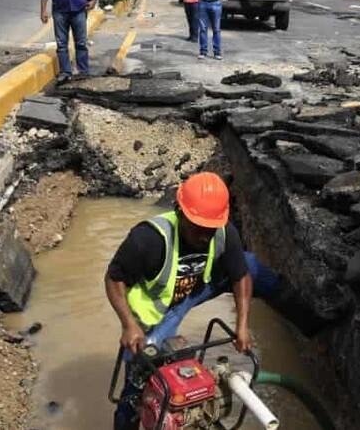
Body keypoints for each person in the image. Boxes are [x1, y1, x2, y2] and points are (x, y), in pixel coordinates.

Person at [106, 172, 278, 430]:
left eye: (210, 229)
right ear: (180, 212)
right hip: (154, 314)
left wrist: (242, 325)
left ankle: (310, 321)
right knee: (137, 384)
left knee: (250, 265)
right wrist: (128, 324)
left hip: (191, 292)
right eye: (198, 228)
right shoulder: (148, 239)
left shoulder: (222, 232)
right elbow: (113, 279)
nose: (205, 236)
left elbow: (240, 276)